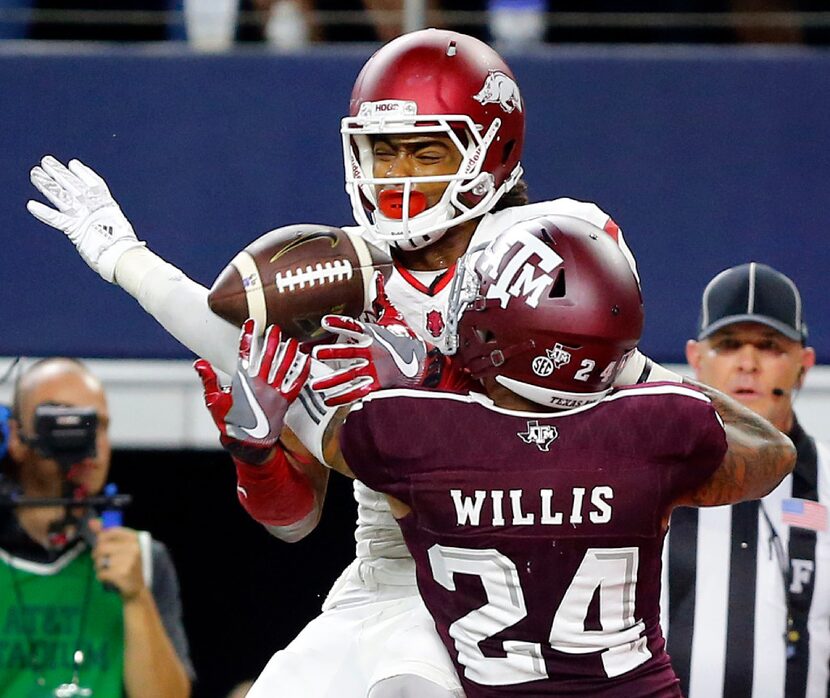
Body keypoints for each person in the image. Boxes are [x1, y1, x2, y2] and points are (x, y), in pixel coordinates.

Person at [26, 28, 669, 697]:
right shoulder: (347, 273)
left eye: (424, 150)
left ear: (494, 146)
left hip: (514, 569)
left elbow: (604, 430)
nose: (398, 175)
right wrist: (256, 448)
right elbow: (296, 520)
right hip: (383, 577)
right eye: (382, 151)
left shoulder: (548, 247)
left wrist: (432, 382)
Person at [196, 218, 796, 696]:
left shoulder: (415, 436)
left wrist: (255, 446)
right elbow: (772, 453)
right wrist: (630, 369)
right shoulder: (654, 429)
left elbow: (310, 465)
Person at [661, 262, 830, 698]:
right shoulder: (651, 480)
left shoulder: (829, 482)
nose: (748, 364)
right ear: (697, 360)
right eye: (729, 344)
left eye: (770, 346)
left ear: (803, 365)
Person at [0, 357, 194, 697]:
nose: (91, 440)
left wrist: (136, 596)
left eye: (100, 425)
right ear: (17, 436)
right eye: (66, 420)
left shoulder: (143, 559)